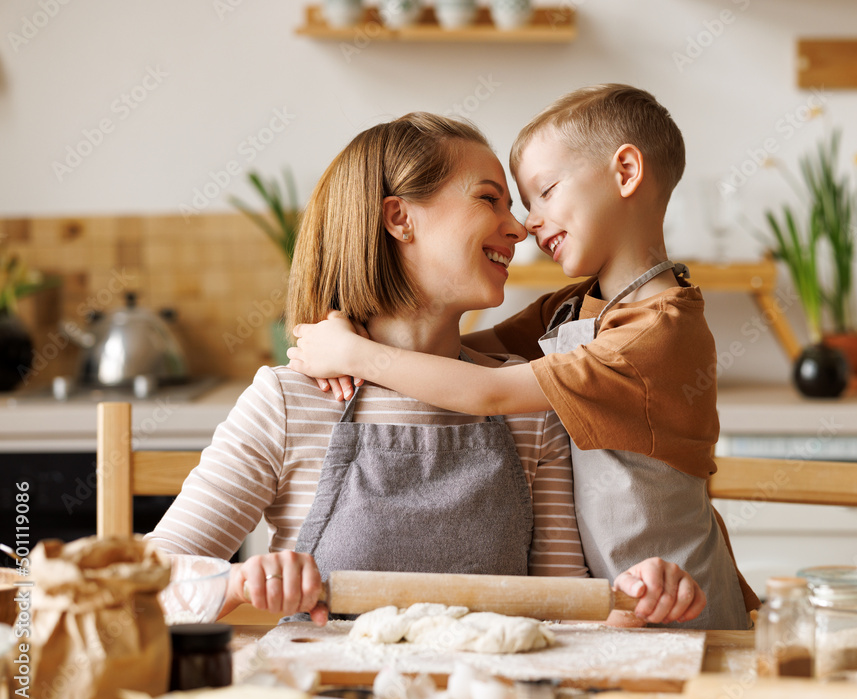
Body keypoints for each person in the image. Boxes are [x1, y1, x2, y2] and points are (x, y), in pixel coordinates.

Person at [147, 111, 707, 628]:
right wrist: (242, 582)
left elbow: (564, 611)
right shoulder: (289, 403)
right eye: (491, 200)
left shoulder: (530, 407)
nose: (519, 230)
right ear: (399, 218)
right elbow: (144, 584)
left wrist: (637, 603)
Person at [287, 86, 760, 629]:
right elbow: (461, 356)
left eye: (545, 192)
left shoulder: (657, 330)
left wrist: (354, 352)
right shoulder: (574, 306)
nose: (529, 223)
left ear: (626, 171)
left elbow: (490, 391)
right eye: (514, 202)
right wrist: (351, 328)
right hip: (613, 611)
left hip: (678, 600)